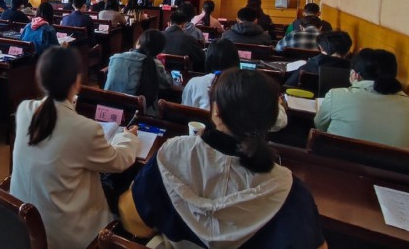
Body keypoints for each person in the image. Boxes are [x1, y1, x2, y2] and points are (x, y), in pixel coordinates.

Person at [119, 69, 325, 248]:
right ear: (271, 120)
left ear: (216, 111)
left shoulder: (173, 153)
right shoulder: (289, 191)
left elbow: (134, 221)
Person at [10, 47, 139, 249]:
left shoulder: (25, 109)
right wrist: (128, 137)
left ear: (40, 79)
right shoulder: (85, 129)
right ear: (77, 81)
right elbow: (118, 161)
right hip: (66, 236)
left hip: (22, 224)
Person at [314, 49, 409, 151]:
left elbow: (320, 126)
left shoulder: (336, 95)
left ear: (354, 75)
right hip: (397, 167)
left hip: (335, 163)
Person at [181, 39, 288, 131]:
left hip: (202, 138)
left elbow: (186, 114)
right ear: (236, 59)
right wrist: (277, 104)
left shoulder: (194, 83)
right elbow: (279, 122)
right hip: (240, 144)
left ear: (208, 60)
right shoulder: (250, 85)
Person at [105, 29, 173, 115]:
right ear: (159, 50)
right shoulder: (155, 63)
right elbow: (167, 83)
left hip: (109, 107)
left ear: (138, 42)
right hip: (138, 113)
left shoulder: (115, 58)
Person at [285, 31, 353, 87]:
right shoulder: (353, 72)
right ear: (348, 51)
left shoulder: (308, 67)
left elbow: (288, 86)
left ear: (321, 47)